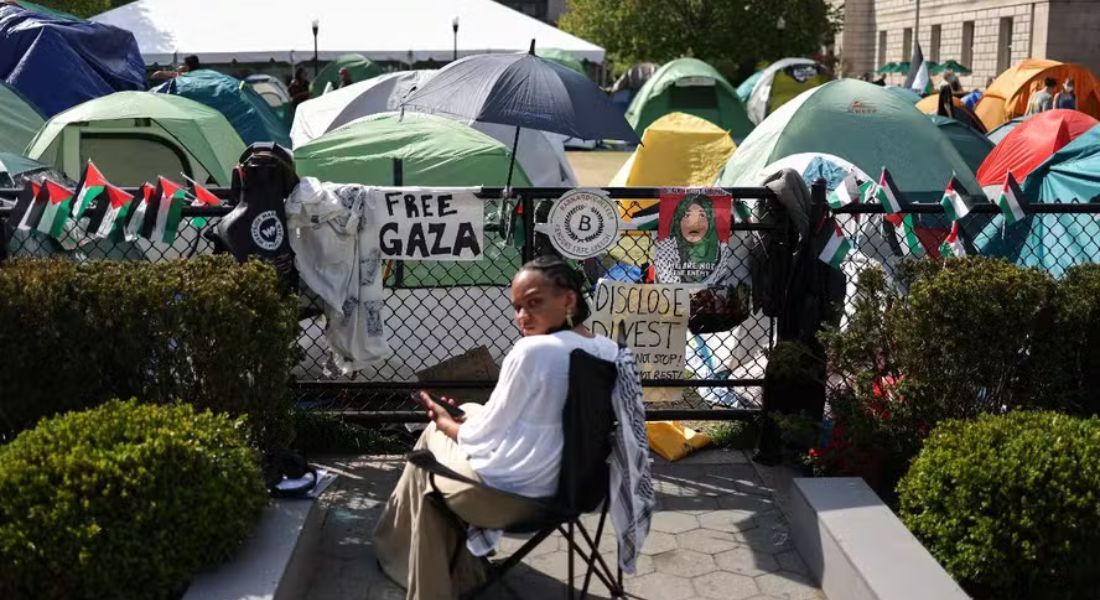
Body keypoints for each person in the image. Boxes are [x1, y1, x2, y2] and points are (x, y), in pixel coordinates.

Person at [373, 256, 620, 599]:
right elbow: (523, 421)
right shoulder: (610, 351)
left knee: (429, 453)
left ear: (568, 299)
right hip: (579, 490)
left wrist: (445, 422)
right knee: (471, 409)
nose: (522, 316)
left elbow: (483, 435)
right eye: (518, 307)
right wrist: (463, 417)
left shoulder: (531, 351)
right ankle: (447, 563)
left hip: (514, 498)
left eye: (534, 303)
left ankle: (411, 562)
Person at [653, 194, 741, 285]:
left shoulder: (722, 249)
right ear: (678, 220)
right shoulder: (665, 248)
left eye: (702, 215)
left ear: (710, 221)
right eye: (687, 215)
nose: (694, 223)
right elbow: (667, 281)